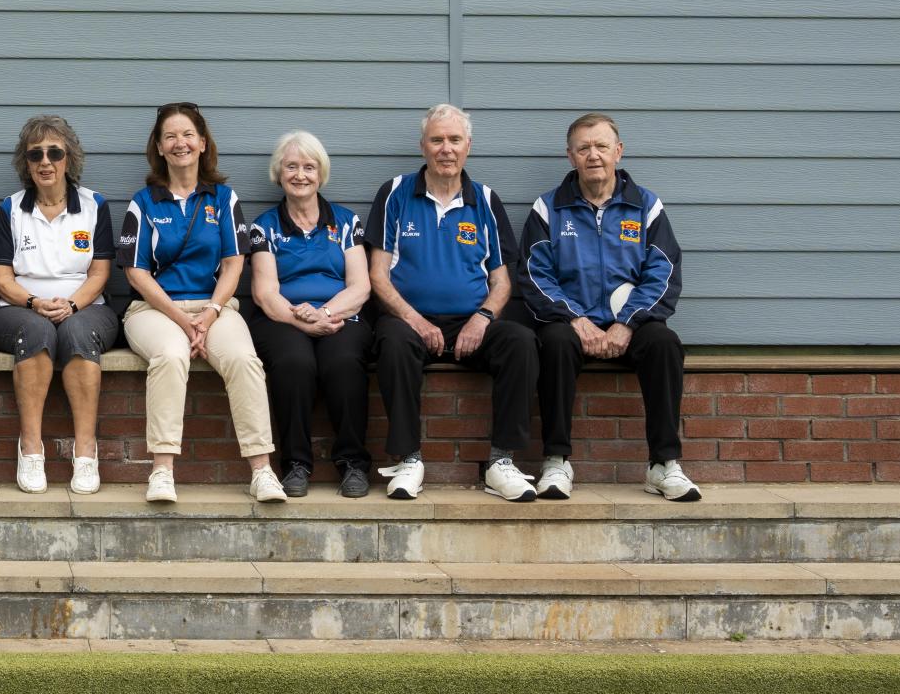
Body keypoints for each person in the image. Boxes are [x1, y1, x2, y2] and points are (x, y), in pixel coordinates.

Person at [516, 112, 698, 501]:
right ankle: (556, 461)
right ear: (570, 156)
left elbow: (663, 271)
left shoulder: (646, 206)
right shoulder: (548, 209)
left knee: (665, 345)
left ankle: (663, 464)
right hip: (571, 321)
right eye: (583, 148)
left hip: (631, 322)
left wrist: (627, 324)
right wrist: (577, 320)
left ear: (619, 151)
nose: (593, 155)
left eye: (601, 146)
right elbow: (535, 275)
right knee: (555, 343)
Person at [367, 104, 540, 501]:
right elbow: (378, 274)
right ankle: (409, 460)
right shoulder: (394, 193)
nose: (446, 149)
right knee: (392, 343)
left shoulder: (486, 200)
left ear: (469, 147)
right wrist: (416, 320)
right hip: (408, 319)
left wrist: (481, 319)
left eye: (455, 140)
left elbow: (501, 280)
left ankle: (501, 463)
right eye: (437, 140)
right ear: (423, 146)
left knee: (521, 342)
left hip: (471, 320)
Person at [119, 101, 286, 505]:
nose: (180, 143)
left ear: (202, 142)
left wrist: (209, 314)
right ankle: (162, 471)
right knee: (171, 356)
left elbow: (234, 264)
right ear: (158, 147)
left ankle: (262, 471)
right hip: (154, 310)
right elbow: (136, 273)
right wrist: (182, 319)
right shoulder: (144, 202)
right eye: (170, 136)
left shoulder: (223, 199)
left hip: (215, 307)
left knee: (245, 360)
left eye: (188, 135)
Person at [0, 115, 119, 494]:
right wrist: (34, 302)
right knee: (36, 330)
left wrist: (73, 306)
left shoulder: (94, 205)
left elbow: (99, 273)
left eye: (54, 153)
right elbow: (0, 278)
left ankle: (86, 452)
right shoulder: (11, 209)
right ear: (25, 163)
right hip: (19, 308)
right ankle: (30, 449)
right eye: (35, 154)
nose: (45, 162)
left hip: (86, 305)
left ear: (69, 158)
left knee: (78, 334)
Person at [242, 131, 372, 499]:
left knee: (344, 360)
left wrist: (325, 313)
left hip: (341, 314)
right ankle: (296, 464)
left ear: (321, 173)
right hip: (282, 318)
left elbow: (360, 286)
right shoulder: (263, 226)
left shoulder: (346, 222)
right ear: (278, 173)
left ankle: (352, 463)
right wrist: (302, 320)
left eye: (309, 167)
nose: (300, 174)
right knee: (294, 362)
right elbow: (265, 292)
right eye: (292, 166)